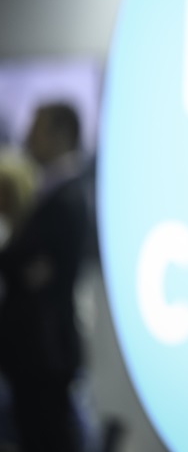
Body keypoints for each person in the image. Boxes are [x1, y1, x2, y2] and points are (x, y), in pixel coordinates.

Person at [0, 102, 93, 452]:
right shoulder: (51, 192)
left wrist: (22, 266)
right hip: (33, 353)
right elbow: (26, 267)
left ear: (60, 134)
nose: (27, 137)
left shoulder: (68, 197)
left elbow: (26, 264)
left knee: (48, 437)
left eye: (36, 128)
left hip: (45, 353)